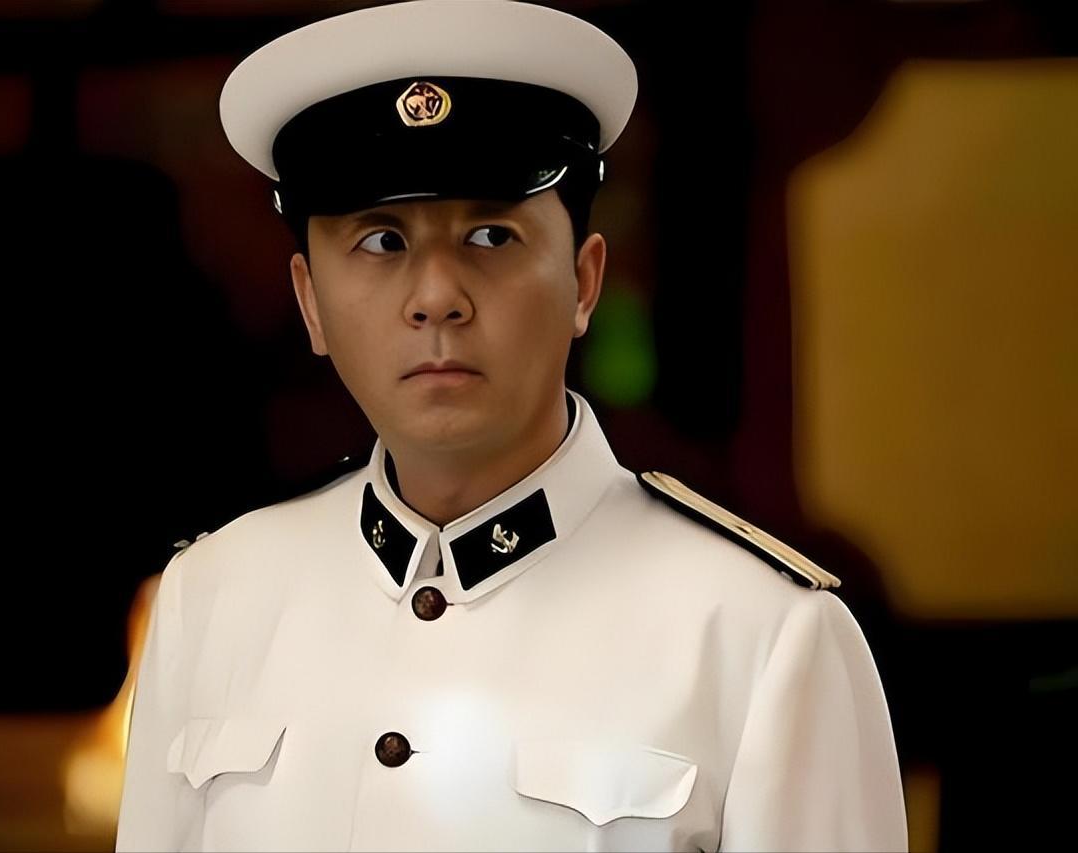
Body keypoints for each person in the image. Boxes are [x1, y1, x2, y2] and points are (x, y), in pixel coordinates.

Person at [114, 1, 908, 850]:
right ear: (310, 301)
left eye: (491, 235)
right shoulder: (213, 599)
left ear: (584, 282)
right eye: (381, 242)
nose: (436, 298)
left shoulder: (762, 636)